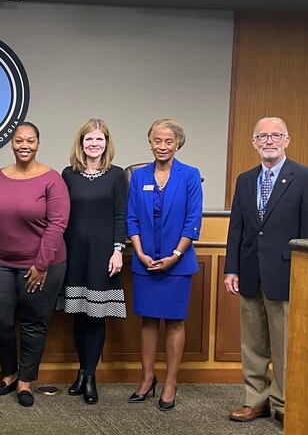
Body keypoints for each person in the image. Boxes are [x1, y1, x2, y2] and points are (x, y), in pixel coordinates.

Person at [225, 117, 308, 426]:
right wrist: (231, 268)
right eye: (262, 136)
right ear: (253, 143)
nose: (268, 141)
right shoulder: (245, 179)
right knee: (253, 343)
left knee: (284, 345)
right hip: (249, 272)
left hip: (287, 274)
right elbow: (237, 229)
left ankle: (284, 403)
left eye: (275, 135)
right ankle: (255, 400)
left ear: (287, 140)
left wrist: (305, 274)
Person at [0, 122, 69, 407]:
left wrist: (42, 264)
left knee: (33, 322)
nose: (24, 145)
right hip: (1, 262)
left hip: (43, 265)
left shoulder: (52, 179)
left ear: (38, 144)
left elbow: (57, 225)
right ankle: (9, 372)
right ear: (12, 143)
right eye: (19, 140)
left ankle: (25, 381)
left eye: (30, 140)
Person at [126, 118, 202, 411]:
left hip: (178, 264)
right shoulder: (140, 176)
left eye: (168, 141)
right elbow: (131, 218)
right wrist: (140, 252)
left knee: (174, 321)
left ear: (178, 143)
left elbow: (193, 221)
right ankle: (147, 379)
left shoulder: (190, 175)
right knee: (147, 320)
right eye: (157, 140)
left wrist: (176, 255)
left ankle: (170, 383)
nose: (162, 146)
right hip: (145, 262)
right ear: (150, 142)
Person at [57, 118, 127, 404]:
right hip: (74, 253)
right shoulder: (68, 174)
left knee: (96, 317)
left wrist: (118, 250)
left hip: (103, 255)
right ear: (81, 143)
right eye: (89, 139)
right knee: (78, 315)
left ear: (106, 143)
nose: (94, 144)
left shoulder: (116, 175)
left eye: (99, 139)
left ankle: (90, 377)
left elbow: (120, 215)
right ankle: (81, 372)